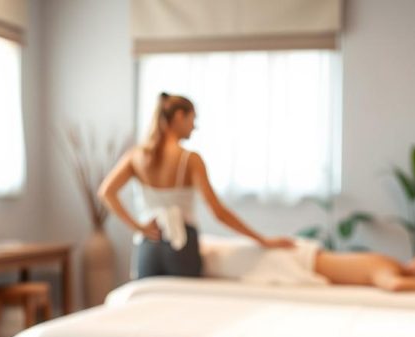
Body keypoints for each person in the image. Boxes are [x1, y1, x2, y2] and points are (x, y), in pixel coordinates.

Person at [98, 93, 294, 279]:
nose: (195, 126)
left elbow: (106, 192)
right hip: (181, 247)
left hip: (148, 246)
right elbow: (219, 213)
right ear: (179, 116)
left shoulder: (137, 156)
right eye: (193, 119)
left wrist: (138, 227)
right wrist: (263, 240)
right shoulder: (190, 160)